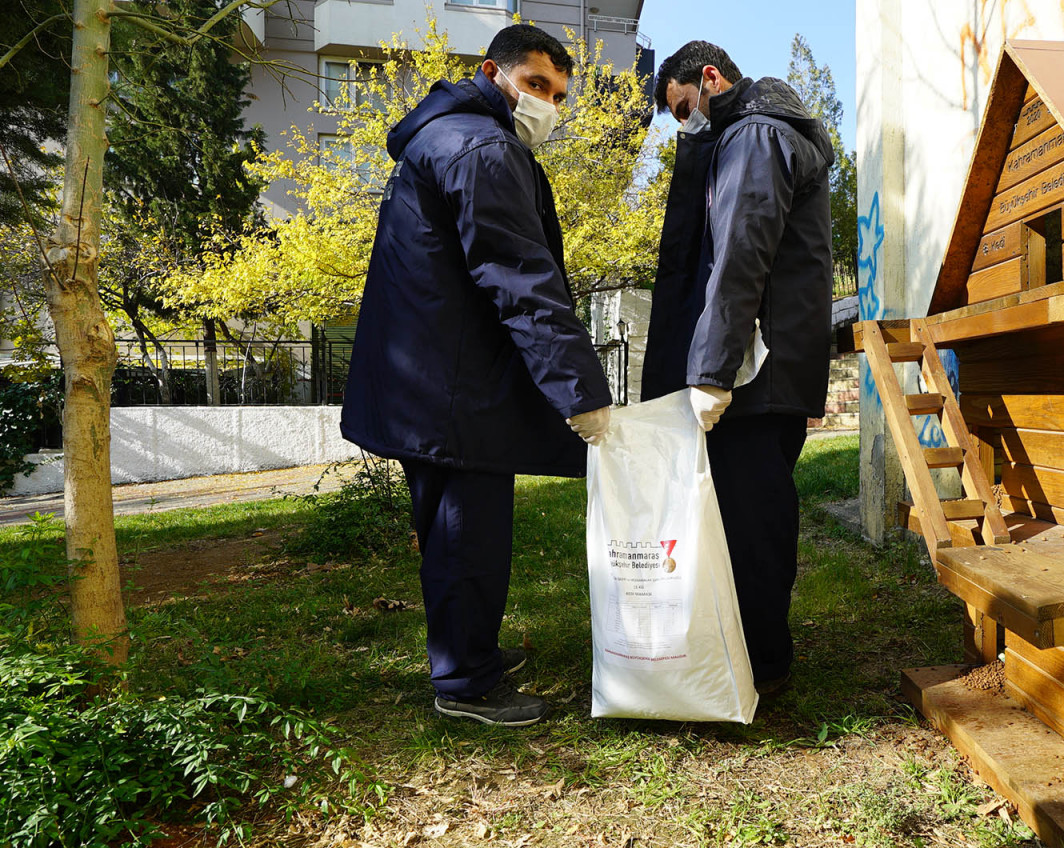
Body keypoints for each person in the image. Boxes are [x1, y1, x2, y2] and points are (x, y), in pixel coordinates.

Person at [341, 24, 613, 727]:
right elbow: (522, 282)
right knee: (470, 536)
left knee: (448, 528)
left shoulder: (448, 135)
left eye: (557, 93)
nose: (547, 103)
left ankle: (465, 653)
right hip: (454, 389)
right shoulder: (484, 148)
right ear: (495, 72)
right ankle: (467, 685)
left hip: (427, 381)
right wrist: (580, 394)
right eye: (535, 85)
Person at [643, 41, 835, 696]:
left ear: (711, 78)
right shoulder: (757, 132)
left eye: (684, 108)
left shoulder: (753, 136)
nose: (684, 124)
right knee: (752, 511)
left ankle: (760, 667)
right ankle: (750, 656)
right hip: (771, 362)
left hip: (756, 370)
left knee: (752, 520)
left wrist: (712, 371)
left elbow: (740, 255)